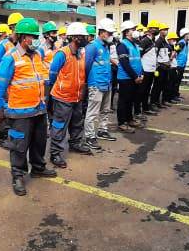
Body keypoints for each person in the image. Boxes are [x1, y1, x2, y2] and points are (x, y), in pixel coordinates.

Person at [0, 17, 57, 196]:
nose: (35, 40)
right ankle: (18, 175)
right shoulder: (10, 58)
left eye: (36, 36)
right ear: (21, 37)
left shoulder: (37, 55)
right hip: (19, 112)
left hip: (38, 109)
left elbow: (42, 78)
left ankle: (37, 167)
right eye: (31, 36)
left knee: (39, 142)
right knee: (19, 146)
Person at [46, 22, 92, 168]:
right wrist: (57, 90)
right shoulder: (62, 53)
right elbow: (52, 74)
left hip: (77, 96)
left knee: (77, 122)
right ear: (75, 38)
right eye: (83, 37)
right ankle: (55, 153)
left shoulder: (81, 53)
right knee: (59, 125)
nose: (86, 39)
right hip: (63, 97)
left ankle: (75, 143)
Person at [84, 18, 118, 150]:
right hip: (96, 84)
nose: (111, 36)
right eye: (109, 33)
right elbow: (86, 66)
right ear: (102, 32)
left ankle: (102, 130)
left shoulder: (105, 47)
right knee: (92, 112)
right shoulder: (92, 47)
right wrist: (88, 82)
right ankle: (89, 137)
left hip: (106, 83)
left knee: (105, 110)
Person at [0, 16, 20, 148]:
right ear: (12, 27)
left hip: (16, 86)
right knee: (4, 110)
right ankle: (2, 138)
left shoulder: (19, 45)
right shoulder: (3, 45)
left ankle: (12, 136)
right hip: (4, 83)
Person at [115, 21, 144, 133]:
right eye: (133, 29)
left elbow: (138, 61)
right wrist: (135, 76)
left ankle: (130, 119)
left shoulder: (135, 44)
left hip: (135, 78)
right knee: (124, 101)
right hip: (126, 78)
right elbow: (124, 63)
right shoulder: (122, 45)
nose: (135, 31)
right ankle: (122, 123)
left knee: (131, 100)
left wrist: (141, 74)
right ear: (127, 32)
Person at [137, 21, 159, 117]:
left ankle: (145, 108)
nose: (156, 30)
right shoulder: (145, 41)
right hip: (145, 70)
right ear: (149, 29)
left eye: (157, 28)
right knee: (142, 91)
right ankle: (138, 110)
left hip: (151, 70)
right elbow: (139, 55)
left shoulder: (152, 41)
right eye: (154, 28)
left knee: (147, 91)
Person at [151, 23, 172, 109]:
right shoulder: (158, 41)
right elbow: (154, 54)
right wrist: (156, 66)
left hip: (165, 67)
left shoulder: (165, 41)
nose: (166, 31)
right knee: (157, 86)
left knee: (163, 85)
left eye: (167, 30)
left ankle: (159, 101)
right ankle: (153, 102)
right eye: (164, 30)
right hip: (160, 67)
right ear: (160, 31)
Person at [173, 28, 189, 103]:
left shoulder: (186, 43)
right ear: (185, 35)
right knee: (176, 81)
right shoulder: (181, 43)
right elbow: (175, 51)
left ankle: (176, 94)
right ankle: (174, 96)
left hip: (182, 65)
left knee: (178, 80)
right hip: (178, 65)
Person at [163, 29, 182, 105]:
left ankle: (171, 98)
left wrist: (175, 51)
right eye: (173, 39)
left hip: (174, 67)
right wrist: (173, 53)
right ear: (169, 39)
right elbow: (169, 58)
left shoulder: (172, 47)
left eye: (175, 39)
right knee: (169, 85)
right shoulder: (167, 47)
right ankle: (166, 99)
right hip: (169, 68)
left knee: (173, 83)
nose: (175, 41)